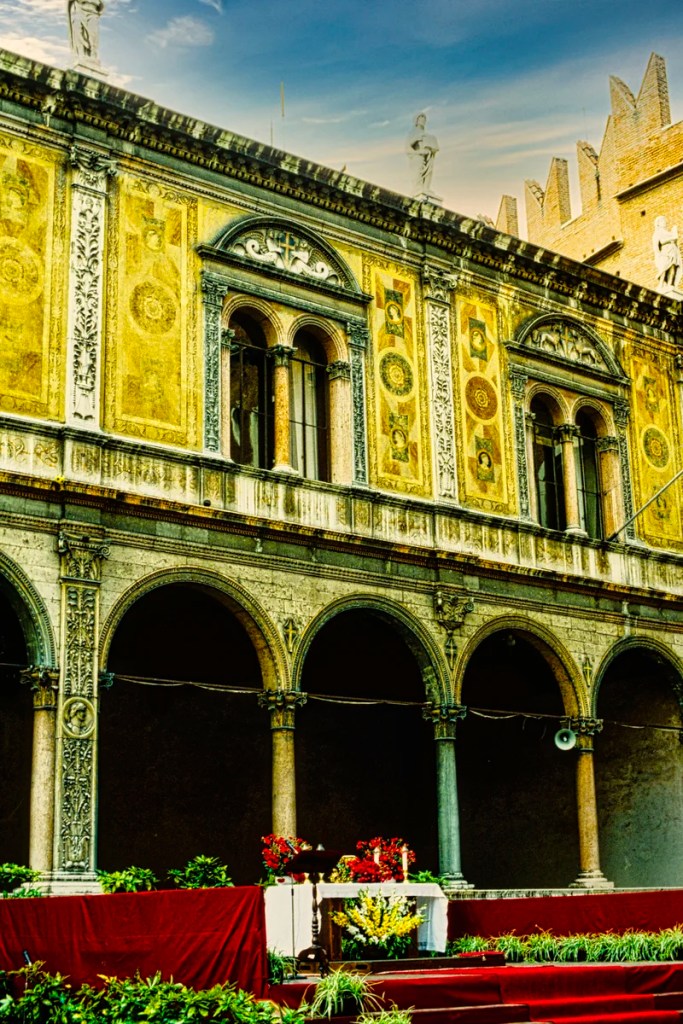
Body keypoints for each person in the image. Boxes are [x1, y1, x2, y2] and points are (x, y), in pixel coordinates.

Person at [405, 113, 439, 197]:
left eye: (424, 120)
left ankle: (426, 188)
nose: (423, 121)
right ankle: (418, 189)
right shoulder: (413, 132)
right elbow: (408, 147)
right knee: (418, 173)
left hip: (428, 157)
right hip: (417, 157)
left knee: (429, 172)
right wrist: (416, 140)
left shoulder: (426, 134)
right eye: (421, 119)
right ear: (416, 121)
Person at [67, 0, 105, 64]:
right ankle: (81, 53)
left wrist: (100, 11)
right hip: (79, 9)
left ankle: (93, 54)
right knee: (77, 28)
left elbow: (102, 5)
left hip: (93, 12)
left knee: (93, 33)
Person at [652, 215, 682, 292]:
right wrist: (672, 238)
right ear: (658, 223)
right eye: (662, 221)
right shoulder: (658, 232)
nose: (664, 222)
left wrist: (674, 231)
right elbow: (661, 242)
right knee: (664, 268)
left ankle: (670, 284)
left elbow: (675, 239)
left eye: (665, 221)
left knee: (673, 267)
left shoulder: (668, 232)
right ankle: (661, 285)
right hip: (665, 251)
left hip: (673, 251)